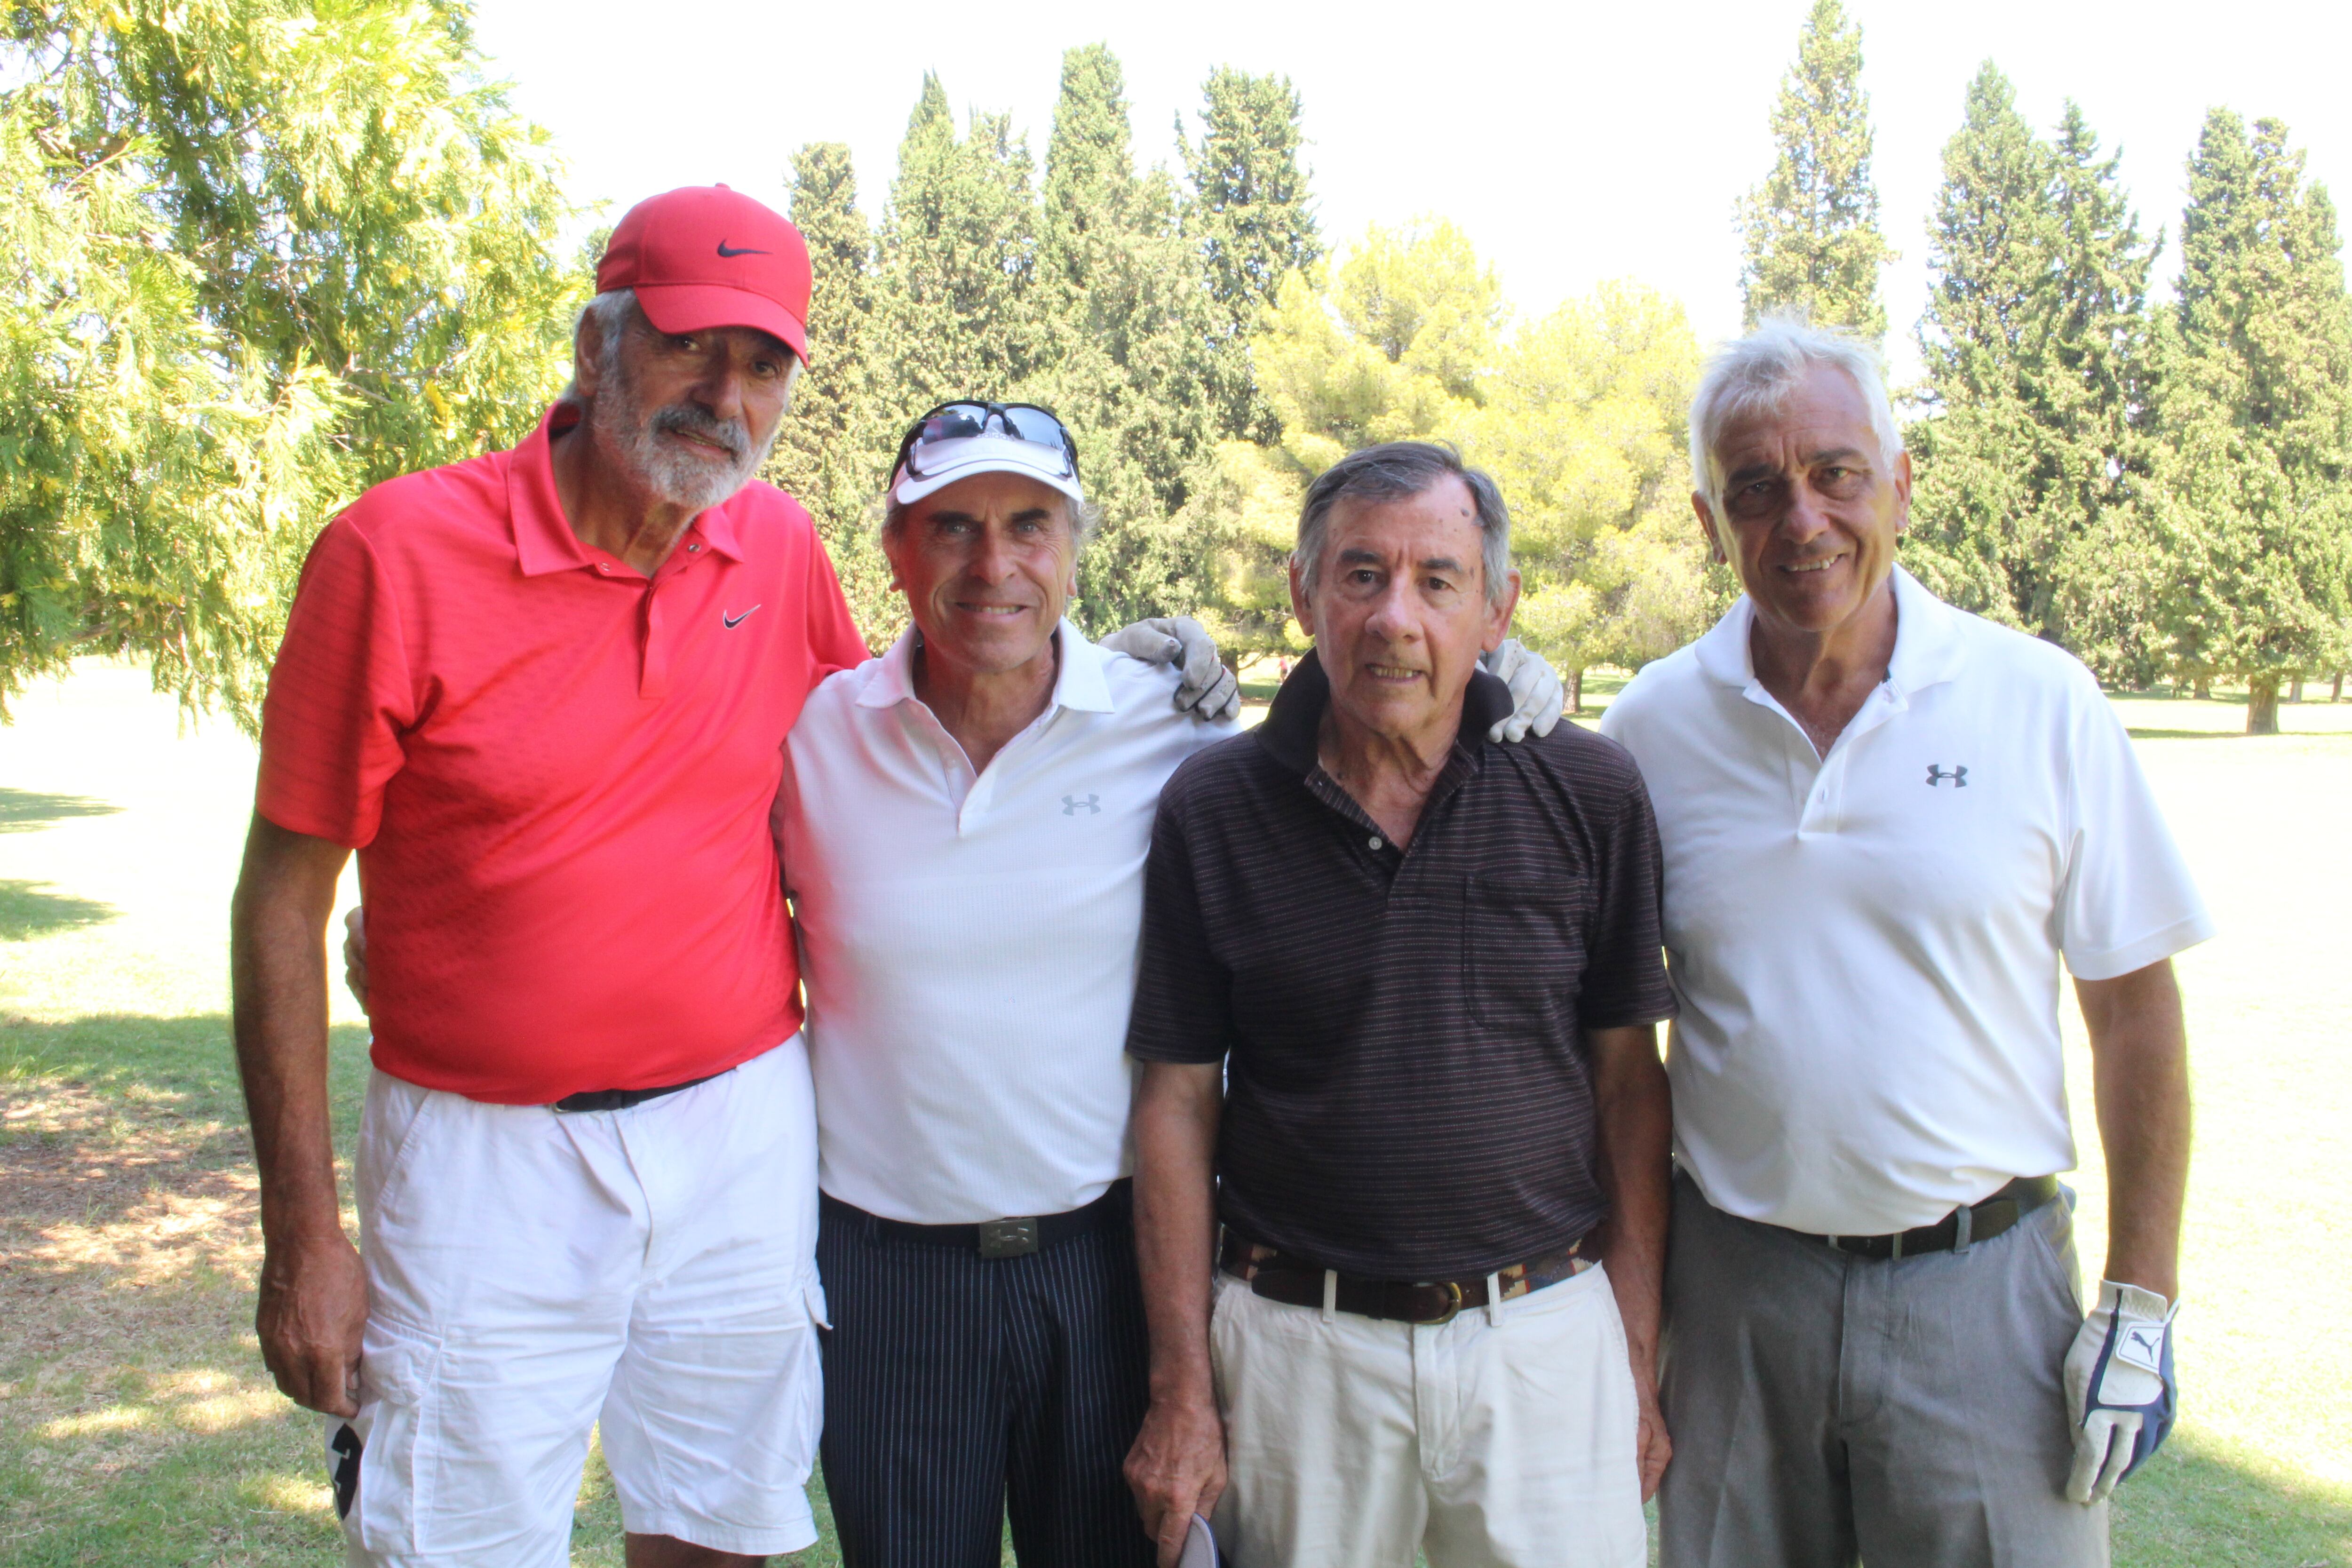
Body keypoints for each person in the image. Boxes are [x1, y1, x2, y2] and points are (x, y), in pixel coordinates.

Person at [231, 187, 1233, 1568]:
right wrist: (304, 1231)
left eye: (763, 365)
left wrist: (1128, 659)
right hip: (484, 1151)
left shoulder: (774, 547)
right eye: (691, 347)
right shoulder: (396, 553)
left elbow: (928, 711)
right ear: (597, 348)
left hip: (739, 1135)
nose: (726, 396)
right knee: (456, 1537)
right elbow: (281, 898)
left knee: (717, 1523)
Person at [773, 406, 1569, 1568]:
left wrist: (1501, 666)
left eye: (1029, 525)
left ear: (1074, 546)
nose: (993, 564)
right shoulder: (815, 733)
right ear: (896, 549)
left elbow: (1358, 726)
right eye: (951, 527)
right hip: (887, 1274)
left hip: (1107, 1264)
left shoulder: (1163, 722)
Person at [1598, 318, 2210, 1568]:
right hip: (1739, 1304)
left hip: (1986, 1296)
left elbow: (2136, 1008)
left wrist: (2141, 1299)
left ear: (1902, 483)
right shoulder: (1652, 729)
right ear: (1713, 522)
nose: (1803, 520)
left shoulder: (2038, 699)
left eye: (1837, 473)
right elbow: (1615, 1052)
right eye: (1756, 489)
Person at [1122, 441, 1677, 1568]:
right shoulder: (1213, 807)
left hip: (1542, 1343)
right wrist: (1183, 1387)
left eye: (1438, 580)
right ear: (1303, 592)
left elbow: (1629, 1083)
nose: (1395, 618)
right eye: (1361, 574)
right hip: (1297, 1354)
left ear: (1497, 607)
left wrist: (1629, 1348)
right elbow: (1177, 1102)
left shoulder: (1591, 791)